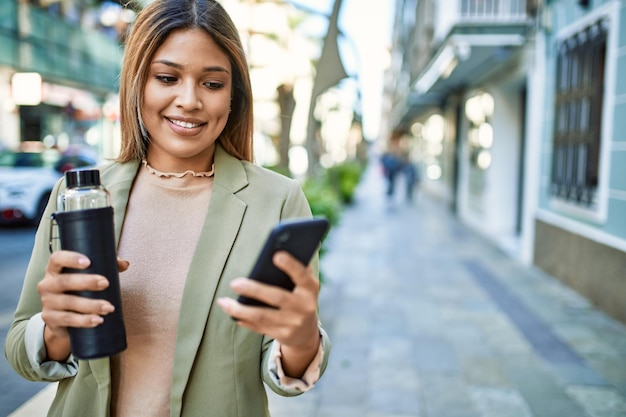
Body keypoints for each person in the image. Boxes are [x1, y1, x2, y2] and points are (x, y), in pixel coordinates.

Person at [4, 1, 331, 416]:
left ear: (234, 96)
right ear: (138, 83)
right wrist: (55, 328)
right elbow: (20, 349)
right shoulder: (78, 195)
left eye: (212, 84)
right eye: (167, 77)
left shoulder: (278, 200)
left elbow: (283, 372)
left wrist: (302, 339)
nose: (189, 100)